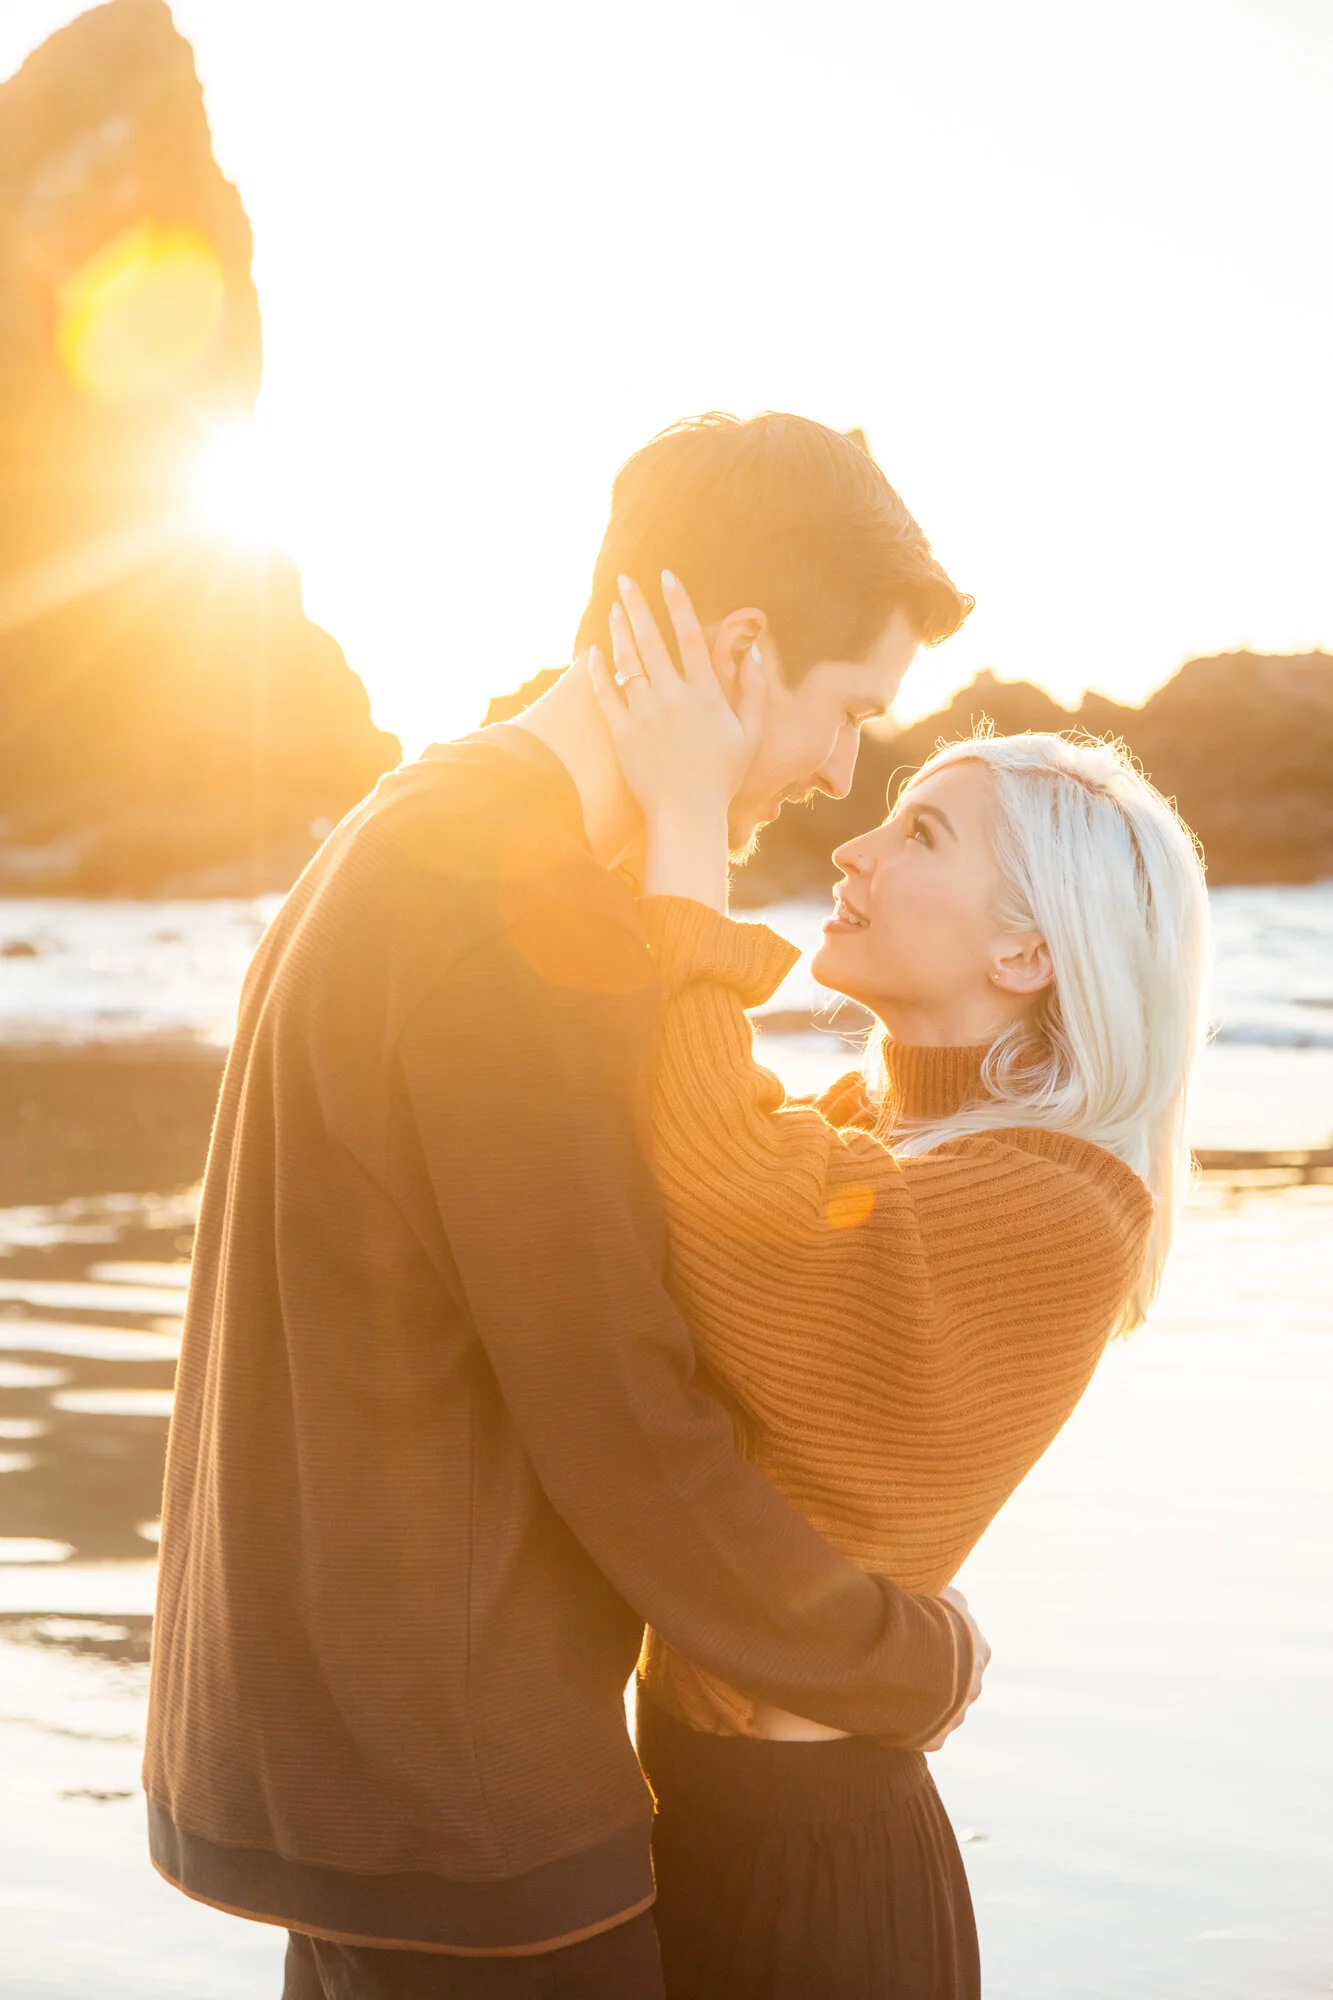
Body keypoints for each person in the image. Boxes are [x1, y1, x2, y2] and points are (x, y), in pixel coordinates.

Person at [142, 412, 986, 1998]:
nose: (838, 774)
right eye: (852, 710)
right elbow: (619, 1416)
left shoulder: (424, 830)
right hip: (471, 1828)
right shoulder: (502, 912)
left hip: (382, 1797)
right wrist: (897, 1655)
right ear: (738, 651)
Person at [588, 574, 1210, 1999]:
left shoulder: (1061, 1204)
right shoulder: (878, 1127)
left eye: (920, 828)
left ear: (1027, 950)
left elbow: (721, 1194)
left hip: (813, 1863)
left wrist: (689, 820)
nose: (854, 841)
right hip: (693, 1808)